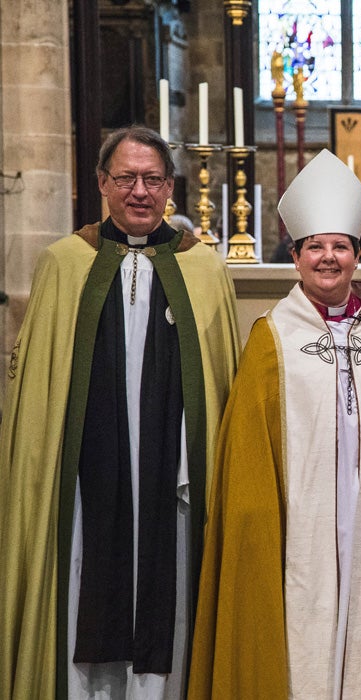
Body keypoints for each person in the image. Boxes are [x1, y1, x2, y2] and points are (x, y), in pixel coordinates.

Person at [0, 125, 239, 698]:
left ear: (170, 188)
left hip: (171, 473)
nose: (140, 191)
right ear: (102, 183)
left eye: (153, 179)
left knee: (172, 576)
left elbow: (219, 375)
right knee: (85, 570)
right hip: (86, 478)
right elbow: (42, 395)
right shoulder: (64, 264)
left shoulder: (204, 269)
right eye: (127, 178)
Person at [188, 149, 361, 698]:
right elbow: (247, 462)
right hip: (300, 527)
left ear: (357, 257)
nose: (327, 258)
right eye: (314, 246)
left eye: (339, 246)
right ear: (295, 256)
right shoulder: (271, 340)